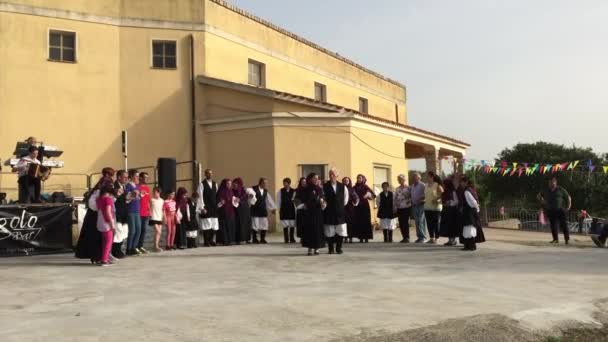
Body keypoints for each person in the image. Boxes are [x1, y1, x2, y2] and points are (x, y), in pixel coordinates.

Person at [75, 167, 115, 264]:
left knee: (101, 238)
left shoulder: (103, 191)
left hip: (99, 215)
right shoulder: (98, 191)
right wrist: (102, 208)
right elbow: (92, 204)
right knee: (95, 237)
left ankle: (103, 256)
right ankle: (97, 257)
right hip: (95, 216)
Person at [538, 176, 572, 245]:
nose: (551, 184)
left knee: (564, 225)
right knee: (553, 225)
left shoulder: (560, 189)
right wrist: (542, 200)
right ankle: (555, 239)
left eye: (552, 182)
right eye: (549, 183)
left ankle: (567, 239)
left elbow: (568, 197)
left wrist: (569, 206)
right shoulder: (546, 190)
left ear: (555, 182)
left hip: (560, 210)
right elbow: (538, 195)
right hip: (550, 210)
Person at [322, 168, 349, 254]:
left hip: (340, 212)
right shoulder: (324, 186)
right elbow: (322, 198)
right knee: (330, 231)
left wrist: (339, 206)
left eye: (333, 174)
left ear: (337, 175)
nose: (331, 176)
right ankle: (331, 249)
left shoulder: (343, 186)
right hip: (329, 212)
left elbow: (346, 199)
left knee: (340, 230)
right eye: (330, 174)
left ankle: (339, 248)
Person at [300, 173, 326, 255]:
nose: (316, 180)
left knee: (317, 230)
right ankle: (309, 248)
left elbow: (323, 199)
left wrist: (323, 203)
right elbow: (301, 199)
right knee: (309, 230)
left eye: (317, 178)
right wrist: (303, 205)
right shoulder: (306, 189)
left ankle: (317, 248)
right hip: (309, 212)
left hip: (318, 212)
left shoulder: (320, 189)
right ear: (310, 179)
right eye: (314, 178)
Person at [250, 178, 277, 244]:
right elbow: (249, 197)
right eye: (264, 183)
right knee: (255, 225)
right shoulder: (253, 189)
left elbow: (268, 200)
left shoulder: (265, 191)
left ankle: (262, 239)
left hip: (263, 210)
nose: (266, 184)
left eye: (266, 183)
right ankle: (254, 239)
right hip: (255, 209)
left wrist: (272, 208)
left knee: (264, 224)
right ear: (260, 183)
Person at [197, 169, 219, 247]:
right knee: (207, 224)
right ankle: (206, 241)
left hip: (214, 207)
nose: (210, 175)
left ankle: (211, 240)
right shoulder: (202, 184)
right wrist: (202, 207)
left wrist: (218, 205)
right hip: (206, 207)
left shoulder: (215, 184)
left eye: (211, 173)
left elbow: (217, 195)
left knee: (214, 224)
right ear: (205, 174)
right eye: (208, 173)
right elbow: (200, 197)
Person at [96, 184, 116, 267]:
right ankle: (104, 260)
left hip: (100, 221)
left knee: (104, 242)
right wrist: (112, 223)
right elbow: (108, 212)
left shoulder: (99, 199)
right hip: (107, 222)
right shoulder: (108, 199)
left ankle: (105, 258)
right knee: (108, 242)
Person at [461, 176, 482, 251]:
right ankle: (469, 246)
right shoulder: (471, 189)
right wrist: (477, 209)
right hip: (471, 211)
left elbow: (473, 202)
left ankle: (471, 246)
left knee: (469, 229)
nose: (461, 184)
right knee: (469, 229)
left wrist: (476, 208)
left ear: (465, 182)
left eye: (462, 182)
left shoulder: (467, 191)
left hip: (469, 212)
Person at [353, 174, 376, 243]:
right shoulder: (354, 187)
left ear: (363, 179)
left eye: (360, 178)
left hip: (365, 206)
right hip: (357, 207)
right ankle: (360, 237)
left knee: (365, 221)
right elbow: (351, 194)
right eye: (358, 178)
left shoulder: (365, 186)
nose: (359, 179)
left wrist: (368, 195)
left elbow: (373, 195)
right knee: (359, 222)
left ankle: (366, 237)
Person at [112, 170, 130, 259]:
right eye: (125, 177)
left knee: (124, 231)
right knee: (118, 231)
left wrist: (130, 198)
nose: (126, 179)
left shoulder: (124, 186)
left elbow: (124, 200)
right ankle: (115, 251)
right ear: (119, 177)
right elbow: (113, 199)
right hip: (117, 212)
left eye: (127, 177)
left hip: (124, 212)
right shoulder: (114, 186)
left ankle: (119, 249)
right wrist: (118, 194)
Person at [439, 177, 461, 246]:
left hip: (452, 211)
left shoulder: (453, 191)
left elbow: (456, 201)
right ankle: (449, 240)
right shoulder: (444, 192)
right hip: (446, 210)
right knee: (447, 226)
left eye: (444, 184)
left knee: (452, 226)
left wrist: (450, 202)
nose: (443, 185)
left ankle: (453, 240)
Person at [125, 169, 143, 256]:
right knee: (132, 230)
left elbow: (138, 198)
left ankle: (134, 247)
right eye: (136, 176)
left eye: (138, 176)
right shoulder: (129, 185)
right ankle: (128, 249)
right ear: (131, 176)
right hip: (131, 210)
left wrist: (140, 195)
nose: (138, 178)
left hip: (137, 210)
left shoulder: (137, 186)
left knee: (138, 229)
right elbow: (127, 198)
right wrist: (133, 194)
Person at [217, 179, 238, 246]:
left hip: (231, 211)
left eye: (230, 184)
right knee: (224, 226)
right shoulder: (221, 191)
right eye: (228, 184)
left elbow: (232, 199)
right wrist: (221, 202)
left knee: (230, 226)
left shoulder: (231, 191)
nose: (229, 185)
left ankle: (230, 240)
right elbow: (218, 201)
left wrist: (236, 200)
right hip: (223, 211)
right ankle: (224, 240)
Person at [424, 172, 444, 244]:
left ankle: (437, 238)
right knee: (429, 224)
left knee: (436, 223)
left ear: (432, 177)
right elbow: (425, 195)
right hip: (427, 207)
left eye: (428, 176)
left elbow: (443, 194)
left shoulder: (437, 185)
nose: (427, 178)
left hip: (436, 207)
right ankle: (431, 238)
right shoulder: (426, 185)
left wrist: (437, 200)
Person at [233, 177, 253, 245]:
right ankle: (238, 239)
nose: (234, 186)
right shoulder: (232, 191)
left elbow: (245, 197)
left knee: (246, 224)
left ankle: (247, 239)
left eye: (236, 184)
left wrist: (240, 199)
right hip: (237, 210)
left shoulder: (243, 190)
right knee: (238, 224)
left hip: (245, 210)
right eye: (234, 185)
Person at [393, 174, 412, 243]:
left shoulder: (408, 188)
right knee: (401, 223)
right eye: (399, 179)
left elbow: (411, 196)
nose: (400, 180)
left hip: (406, 207)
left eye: (401, 179)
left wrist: (408, 200)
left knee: (405, 222)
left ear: (404, 180)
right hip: (399, 207)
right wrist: (394, 207)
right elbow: (395, 198)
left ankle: (407, 237)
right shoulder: (397, 189)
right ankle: (404, 237)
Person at [277, 178, 297, 244]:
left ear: (289, 183)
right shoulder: (281, 191)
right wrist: (279, 209)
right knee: (285, 225)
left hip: (291, 209)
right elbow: (279, 200)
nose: (284, 184)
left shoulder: (294, 191)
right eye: (284, 183)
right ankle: (286, 239)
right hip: (284, 209)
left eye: (285, 183)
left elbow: (295, 201)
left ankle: (292, 238)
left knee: (292, 224)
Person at [410, 172, 427, 243]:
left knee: (420, 221)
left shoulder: (422, 185)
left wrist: (421, 199)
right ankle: (419, 237)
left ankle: (423, 237)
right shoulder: (412, 186)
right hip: (414, 205)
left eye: (415, 177)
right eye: (413, 177)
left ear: (419, 178)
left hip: (421, 205)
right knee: (417, 222)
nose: (414, 178)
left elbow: (426, 194)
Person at [342, 177, 359, 244]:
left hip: (350, 208)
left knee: (350, 223)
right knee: (344, 223)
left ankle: (350, 238)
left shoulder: (352, 189)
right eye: (344, 181)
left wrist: (355, 203)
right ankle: (345, 238)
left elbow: (356, 197)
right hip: (343, 208)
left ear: (349, 181)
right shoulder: (341, 188)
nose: (346, 182)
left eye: (347, 180)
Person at [137, 172, 151, 254]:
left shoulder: (147, 188)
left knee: (144, 230)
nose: (147, 179)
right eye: (145, 177)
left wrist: (150, 210)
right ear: (141, 178)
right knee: (138, 231)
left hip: (146, 213)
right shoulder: (137, 187)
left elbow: (148, 200)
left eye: (147, 177)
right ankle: (135, 247)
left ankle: (140, 246)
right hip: (139, 213)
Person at [149, 187, 165, 252]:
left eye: (155, 192)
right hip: (153, 217)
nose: (153, 193)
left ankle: (155, 245)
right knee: (158, 231)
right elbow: (149, 207)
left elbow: (162, 210)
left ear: (159, 193)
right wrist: (149, 215)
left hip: (159, 218)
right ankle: (156, 246)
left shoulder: (162, 200)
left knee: (158, 233)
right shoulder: (151, 200)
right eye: (153, 192)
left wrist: (164, 217)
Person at [294, 177, 307, 241]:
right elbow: (295, 199)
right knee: (301, 224)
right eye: (302, 182)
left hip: (307, 209)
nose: (303, 183)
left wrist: (307, 204)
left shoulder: (309, 190)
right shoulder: (297, 190)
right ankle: (302, 238)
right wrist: (302, 205)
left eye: (305, 182)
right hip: (300, 209)